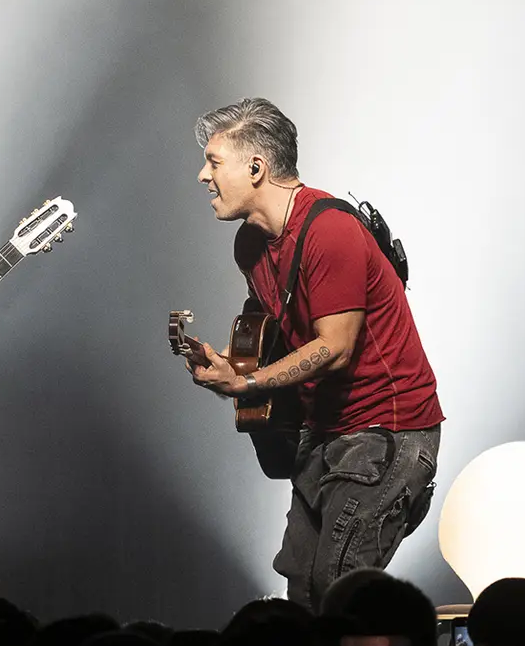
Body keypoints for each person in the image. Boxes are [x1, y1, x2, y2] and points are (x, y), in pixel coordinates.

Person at [186, 98, 443, 609]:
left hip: (386, 432)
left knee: (339, 590)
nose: (202, 176)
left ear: (256, 168)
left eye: (214, 162)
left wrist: (250, 384)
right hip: (325, 434)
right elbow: (273, 331)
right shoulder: (250, 246)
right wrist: (232, 365)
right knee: (301, 595)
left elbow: (335, 349)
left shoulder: (328, 229)